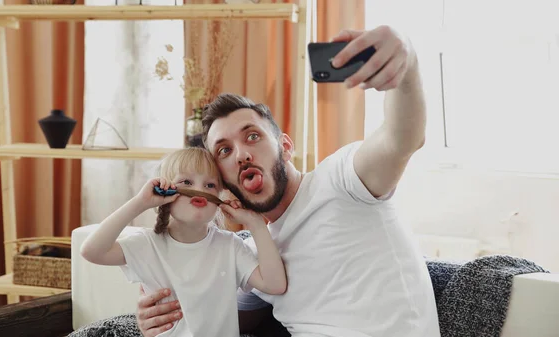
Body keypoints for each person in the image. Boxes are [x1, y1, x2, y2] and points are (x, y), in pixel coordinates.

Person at [135, 25, 441, 337]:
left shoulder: (343, 179)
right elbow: (222, 318)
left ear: (285, 146)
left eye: (252, 136)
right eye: (225, 150)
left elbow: (402, 137)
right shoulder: (255, 252)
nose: (241, 155)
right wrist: (164, 318)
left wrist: (408, 63)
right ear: (222, 180)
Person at [80, 147, 287, 337]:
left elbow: (275, 284)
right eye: (186, 182)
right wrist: (140, 203)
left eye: (210, 185)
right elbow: (92, 251)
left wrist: (256, 224)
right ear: (165, 192)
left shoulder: (229, 246)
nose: (200, 190)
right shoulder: (148, 244)